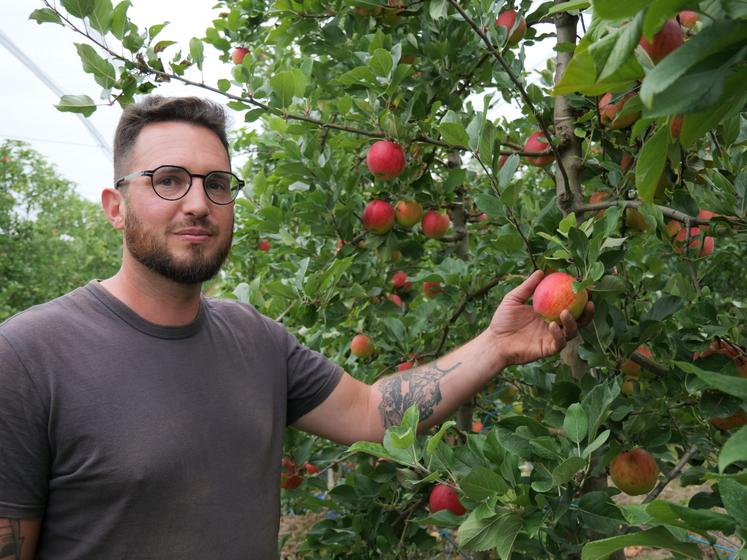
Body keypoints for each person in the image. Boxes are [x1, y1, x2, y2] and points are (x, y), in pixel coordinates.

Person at [0, 96, 593, 559]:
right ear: (114, 205)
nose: (199, 203)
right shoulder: (29, 356)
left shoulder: (255, 339)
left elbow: (371, 413)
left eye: (218, 184)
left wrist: (496, 346)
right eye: (168, 180)